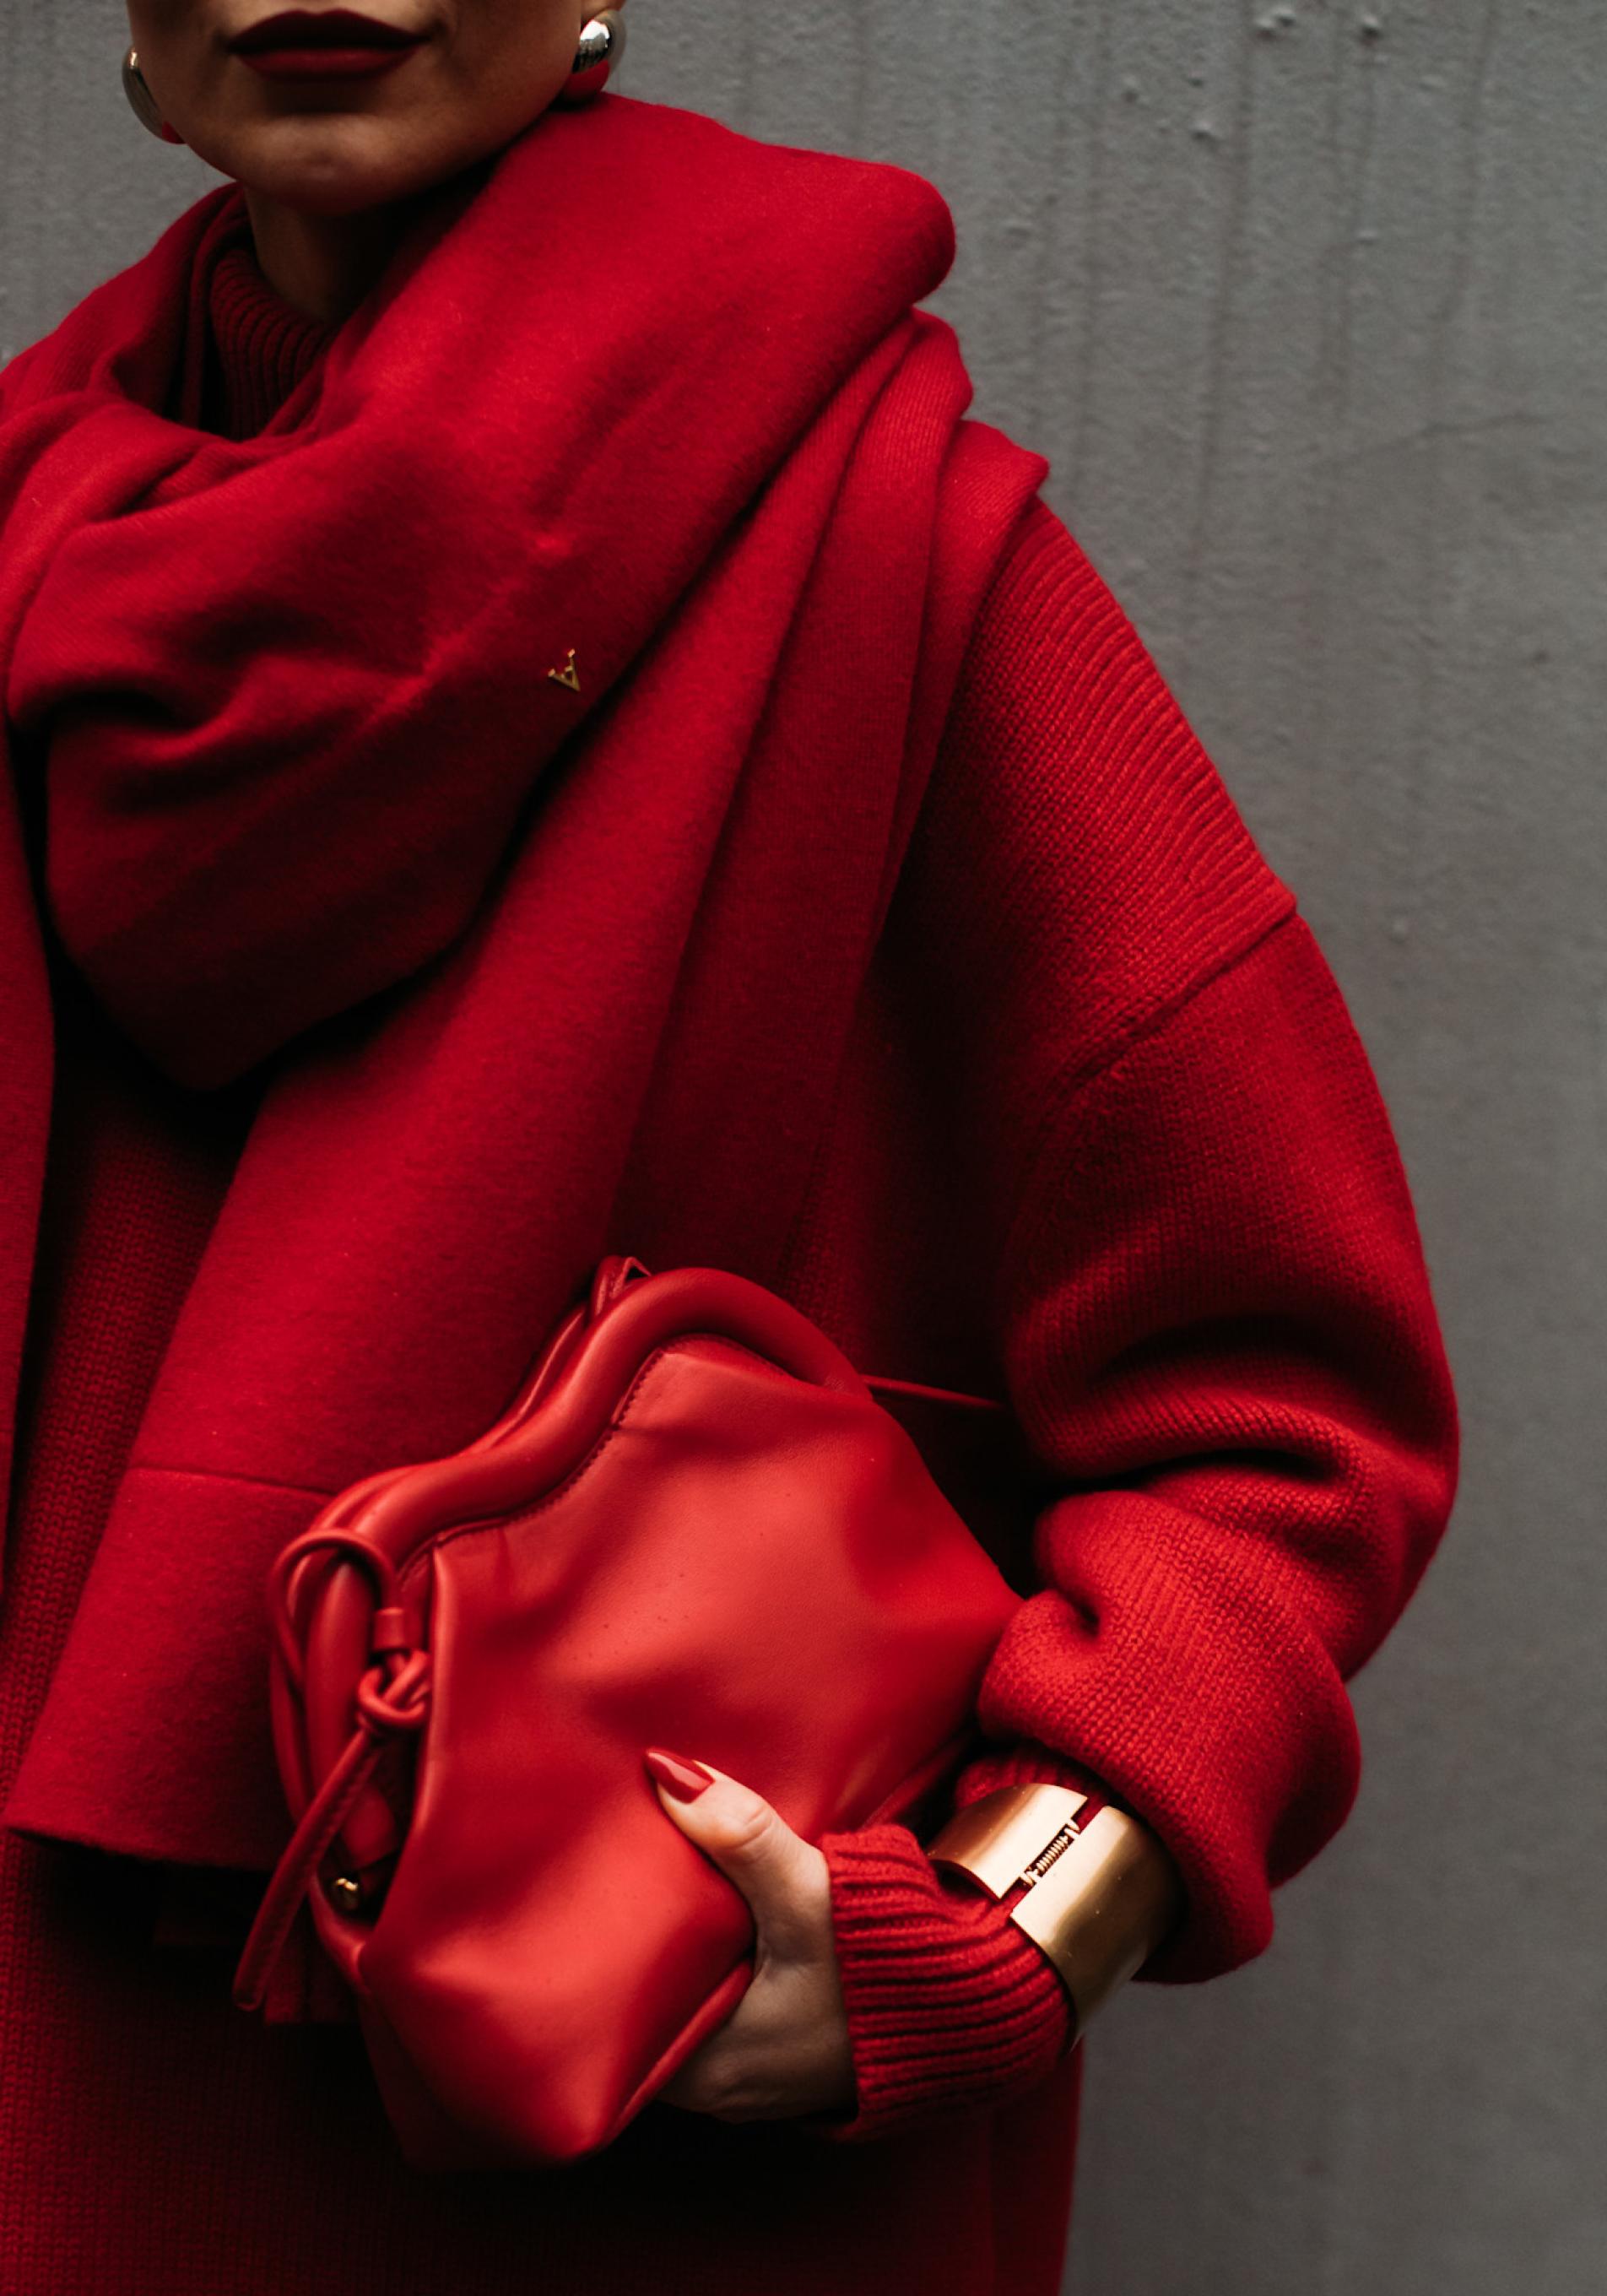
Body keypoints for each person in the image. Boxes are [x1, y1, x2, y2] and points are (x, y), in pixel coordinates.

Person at [0, 7, 1459, 2292]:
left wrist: (1014, 1917)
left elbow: (1287, 1411)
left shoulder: (897, 550)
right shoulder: (28, 558)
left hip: (655, 2133)